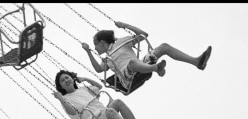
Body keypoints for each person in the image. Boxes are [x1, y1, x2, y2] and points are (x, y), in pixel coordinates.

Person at [82, 21, 212, 91]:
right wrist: (88, 52)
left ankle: (196, 62)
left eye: (95, 44)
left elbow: (143, 35)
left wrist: (125, 25)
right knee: (132, 63)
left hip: (141, 66)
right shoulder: (107, 59)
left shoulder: (121, 42)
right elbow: (99, 70)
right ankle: (156, 68)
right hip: (127, 78)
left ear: (103, 42)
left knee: (164, 47)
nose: (94, 47)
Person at [53, 70, 153, 119]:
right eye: (62, 81)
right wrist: (60, 99)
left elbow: (99, 87)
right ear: (61, 87)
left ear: (72, 78)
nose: (66, 80)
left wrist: (84, 79)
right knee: (110, 111)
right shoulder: (65, 99)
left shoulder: (83, 89)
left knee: (117, 102)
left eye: (67, 77)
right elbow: (72, 112)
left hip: (102, 116)